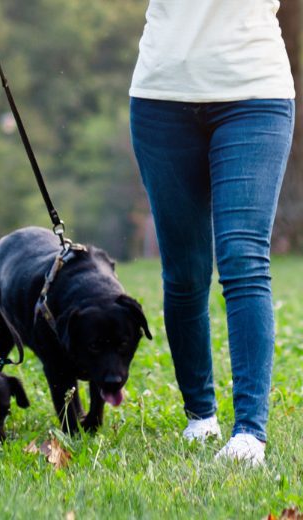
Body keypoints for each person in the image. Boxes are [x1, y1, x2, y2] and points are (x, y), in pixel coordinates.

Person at [129, 0, 294, 466]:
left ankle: (249, 433)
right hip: (161, 99)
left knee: (243, 257)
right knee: (184, 271)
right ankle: (201, 417)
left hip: (254, 94)